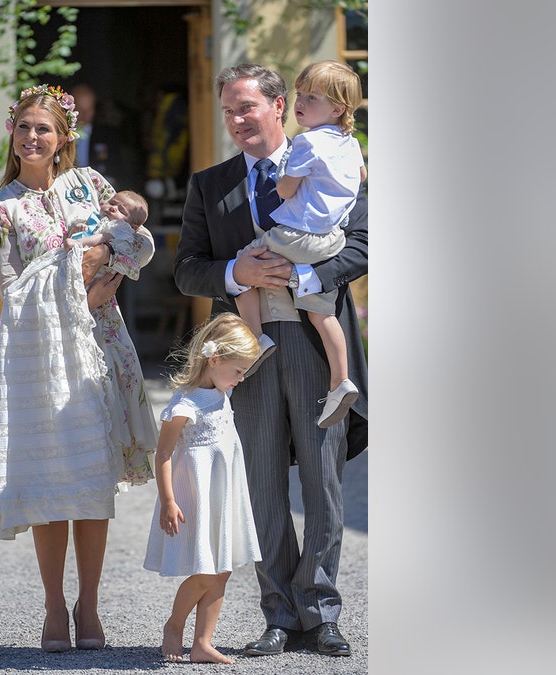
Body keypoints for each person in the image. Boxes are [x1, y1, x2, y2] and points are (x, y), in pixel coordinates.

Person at [174, 63, 369, 658]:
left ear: (280, 106)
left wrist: (309, 273)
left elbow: (364, 241)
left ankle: (321, 610)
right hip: (246, 358)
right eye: (228, 110)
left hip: (314, 349)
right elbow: (187, 269)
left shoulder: (334, 157)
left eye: (246, 108)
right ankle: (280, 614)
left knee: (324, 482)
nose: (235, 121)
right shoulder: (209, 184)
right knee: (260, 487)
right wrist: (238, 272)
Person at [0, 83, 159, 653]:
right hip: (44, 356)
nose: (33, 137)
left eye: (45, 129)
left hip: (101, 346)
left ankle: (89, 602)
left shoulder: (90, 186)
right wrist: (73, 288)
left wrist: (105, 256)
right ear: (12, 132)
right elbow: (12, 292)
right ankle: (53, 606)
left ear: (63, 138)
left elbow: (137, 245)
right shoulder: (3, 208)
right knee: (50, 477)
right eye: (24, 126)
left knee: (91, 475)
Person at [233, 61, 366, 429]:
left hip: (297, 233)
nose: (300, 102)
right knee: (322, 315)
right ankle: (340, 381)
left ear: (338, 108)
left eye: (312, 97)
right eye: (300, 94)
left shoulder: (307, 142)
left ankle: (257, 338)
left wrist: (284, 186)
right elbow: (361, 178)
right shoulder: (351, 143)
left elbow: (286, 189)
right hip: (330, 240)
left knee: (244, 266)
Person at [143, 313, 262, 664]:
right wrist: (168, 500)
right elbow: (163, 453)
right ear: (214, 360)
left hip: (221, 493)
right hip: (196, 496)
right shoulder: (186, 404)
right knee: (205, 571)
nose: (241, 379)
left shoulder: (222, 393)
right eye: (238, 370)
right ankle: (174, 625)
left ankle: (203, 643)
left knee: (222, 568)